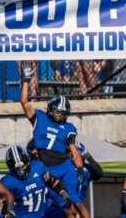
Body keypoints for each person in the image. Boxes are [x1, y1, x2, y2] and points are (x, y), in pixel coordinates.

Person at [20, 60, 90, 218]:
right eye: (57, 112)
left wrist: (79, 169)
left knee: (75, 202)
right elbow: (24, 102)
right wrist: (26, 79)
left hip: (64, 167)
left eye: (62, 113)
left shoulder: (68, 127)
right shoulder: (40, 118)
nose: (59, 115)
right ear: (51, 109)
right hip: (45, 168)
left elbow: (74, 151)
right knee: (51, 203)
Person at [1, 145, 72, 218]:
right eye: (17, 168)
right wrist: (7, 213)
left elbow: (53, 182)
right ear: (11, 168)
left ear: (28, 163)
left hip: (43, 215)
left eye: (23, 166)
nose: (21, 170)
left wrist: (64, 195)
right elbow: (2, 204)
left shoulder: (37, 168)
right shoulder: (8, 181)